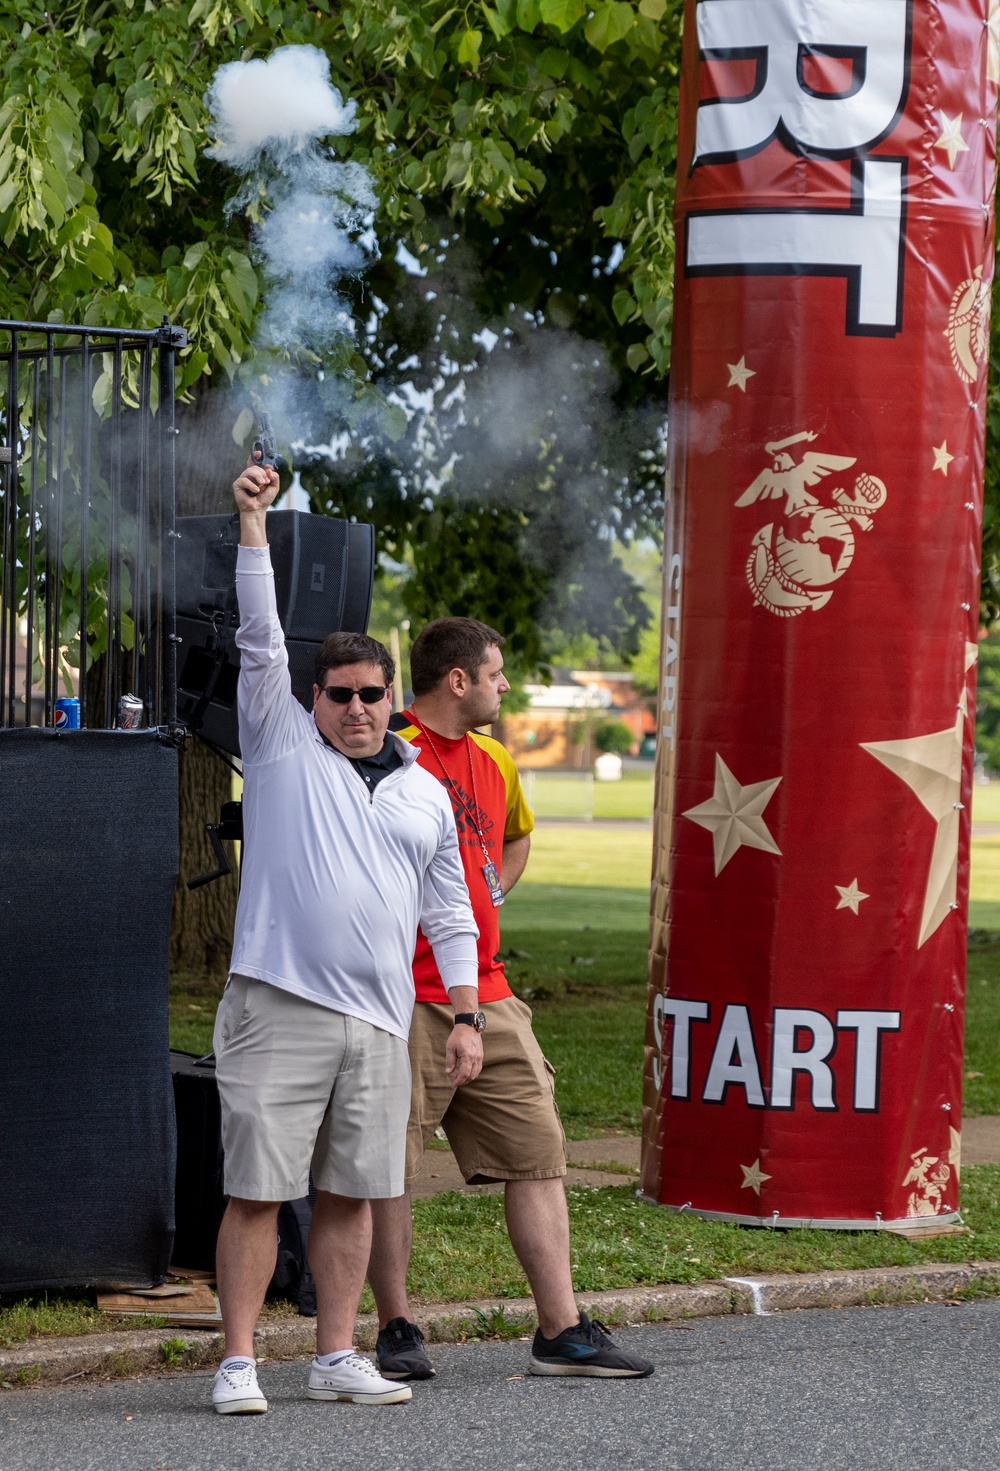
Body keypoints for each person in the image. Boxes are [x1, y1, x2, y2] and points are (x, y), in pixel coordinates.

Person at [211, 463, 482, 1416]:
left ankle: (335, 1355)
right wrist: (253, 523)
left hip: (379, 1021)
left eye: (371, 692)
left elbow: (449, 908)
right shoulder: (281, 743)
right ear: (312, 696)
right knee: (254, 1190)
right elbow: (257, 636)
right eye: (339, 693)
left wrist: (463, 1010)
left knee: (353, 1194)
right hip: (277, 1003)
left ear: (393, 692)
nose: (356, 707)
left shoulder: (426, 791)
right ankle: (238, 1362)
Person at [367, 617, 654, 1380]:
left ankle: (561, 1330)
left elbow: (515, 837)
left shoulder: (493, 759)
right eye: (495, 674)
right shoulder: (383, 749)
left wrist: (491, 890)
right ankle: (396, 1328)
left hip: (488, 993)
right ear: (457, 679)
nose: (504, 686)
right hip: (403, 995)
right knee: (385, 1166)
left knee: (538, 1153)